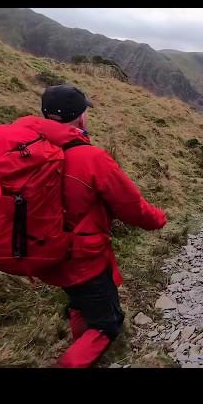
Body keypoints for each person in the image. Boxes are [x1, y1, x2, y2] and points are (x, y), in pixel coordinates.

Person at [29, 84, 167, 368]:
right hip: (82, 256)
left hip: (42, 248)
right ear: (80, 118)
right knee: (107, 323)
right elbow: (131, 206)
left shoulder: (28, 151)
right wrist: (158, 219)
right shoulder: (90, 158)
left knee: (79, 301)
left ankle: (80, 339)